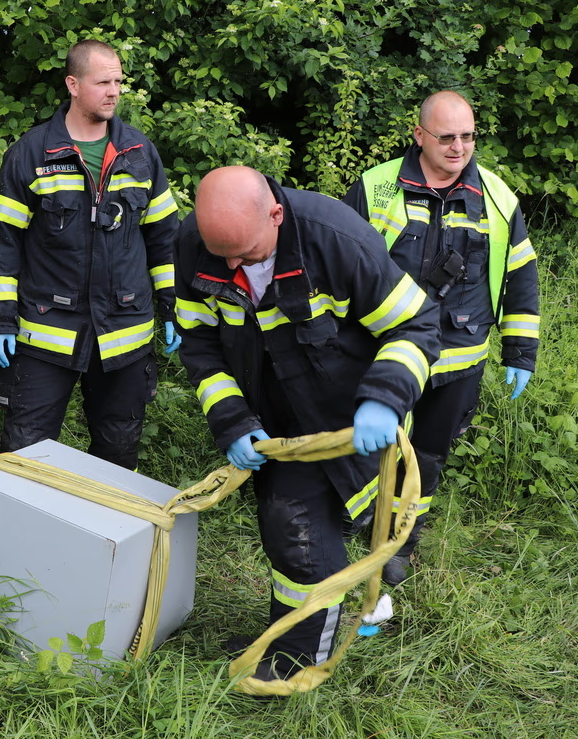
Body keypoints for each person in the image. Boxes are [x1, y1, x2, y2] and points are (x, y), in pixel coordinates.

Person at [175, 165, 440, 682]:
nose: (230, 265)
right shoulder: (196, 242)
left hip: (350, 416)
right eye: (220, 253)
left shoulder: (337, 240)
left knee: (296, 532)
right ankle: (291, 632)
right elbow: (200, 342)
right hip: (274, 425)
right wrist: (232, 420)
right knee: (285, 531)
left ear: (275, 215)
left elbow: (417, 323)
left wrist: (384, 400)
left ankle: (299, 659)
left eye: (246, 254)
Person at [342, 90, 540, 585]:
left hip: (459, 358)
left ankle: (401, 540)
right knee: (373, 447)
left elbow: (521, 275)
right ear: (419, 135)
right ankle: (362, 520)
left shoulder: (496, 197)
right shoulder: (377, 187)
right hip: (386, 354)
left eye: (468, 137)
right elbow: (340, 265)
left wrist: (520, 350)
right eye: (447, 137)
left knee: (427, 455)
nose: (458, 148)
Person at [0, 39, 181, 470]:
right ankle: (23, 536)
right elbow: (2, 244)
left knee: (118, 452)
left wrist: (171, 306)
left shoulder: (140, 153)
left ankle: (105, 535)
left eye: (118, 81)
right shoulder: (32, 154)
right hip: (47, 331)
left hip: (124, 333)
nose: (114, 91)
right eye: (103, 82)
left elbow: (164, 238)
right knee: (24, 452)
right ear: (72, 84)